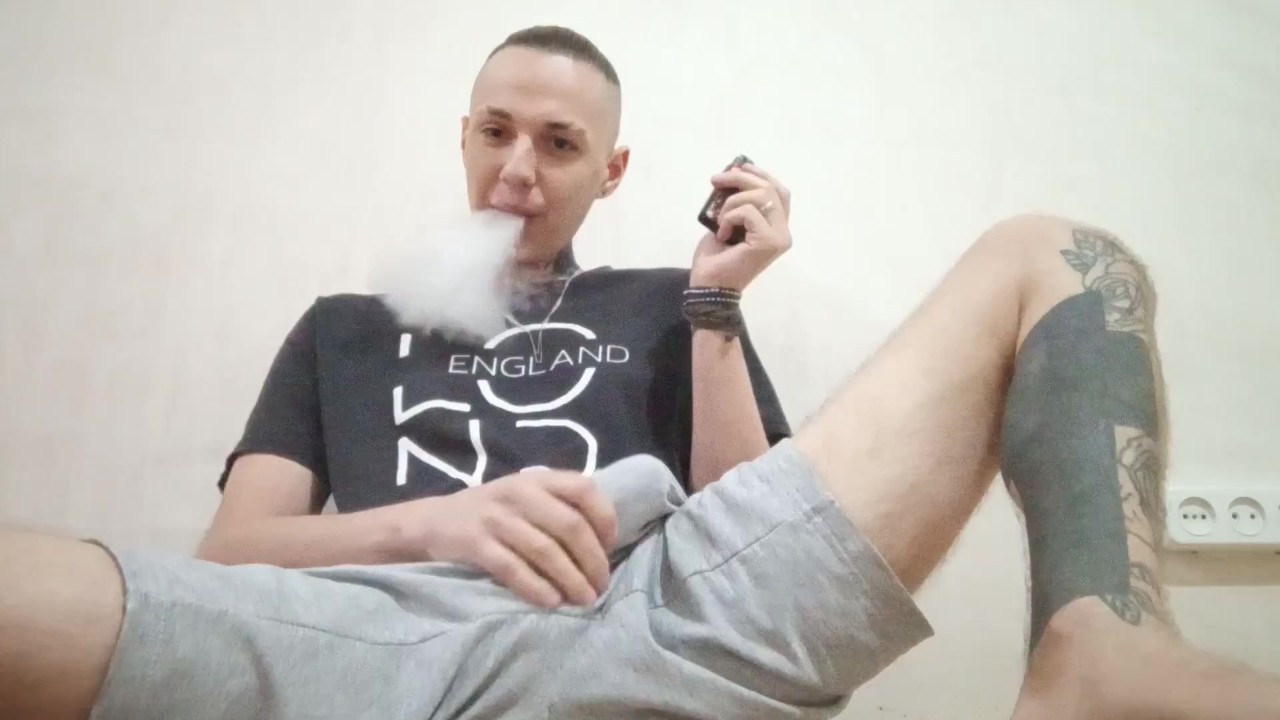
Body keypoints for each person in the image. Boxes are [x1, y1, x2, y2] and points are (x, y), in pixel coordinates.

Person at [3, 25, 1280, 720]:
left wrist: (712, 305)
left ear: (609, 171)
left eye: (559, 144)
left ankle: (1100, 653)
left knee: (1056, 256)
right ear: (462, 135)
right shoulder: (342, 326)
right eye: (496, 131)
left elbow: (757, 525)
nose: (518, 169)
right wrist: (440, 523)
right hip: (368, 643)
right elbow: (231, 555)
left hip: (658, 619)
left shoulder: (671, 303)